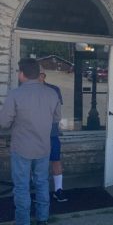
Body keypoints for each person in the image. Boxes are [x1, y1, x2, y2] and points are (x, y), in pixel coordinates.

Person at [0, 59, 61, 225]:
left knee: (21, 187)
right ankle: (43, 219)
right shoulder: (52, 93)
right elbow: (56, 118)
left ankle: (23, 221)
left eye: (19, 72)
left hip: (22, 148)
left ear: (23, 74)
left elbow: (4, 123)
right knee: (41, 183)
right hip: (43, 147)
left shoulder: (15, 94)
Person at [39, 70, 67, 203]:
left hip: (51, 132)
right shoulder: (26, 90)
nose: (39, 76)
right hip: (35, 134)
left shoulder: (54, 89)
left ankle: (58, 190)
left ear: (44, 75)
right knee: (37, 163)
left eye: (40, 74)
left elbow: (58, 113)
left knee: (56, 160)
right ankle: (39, 192)